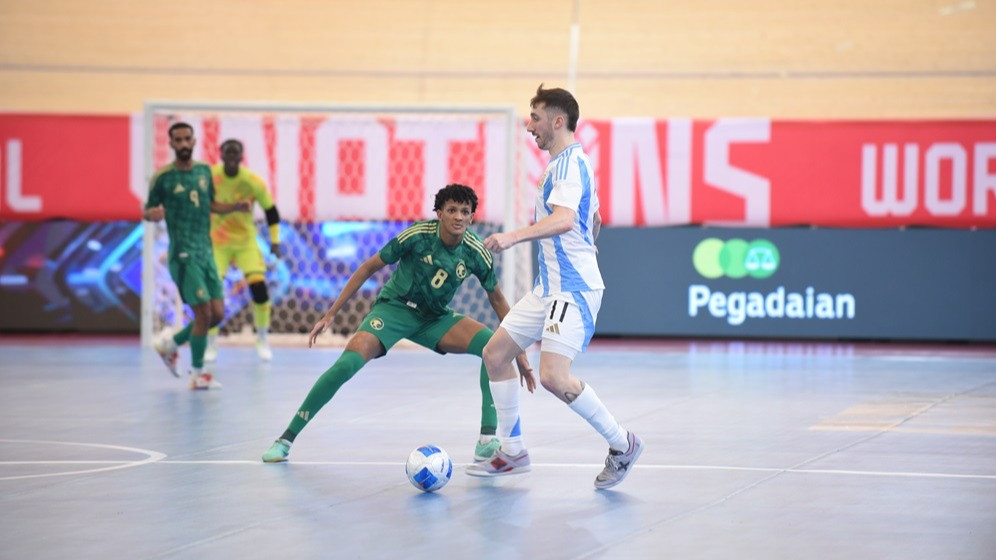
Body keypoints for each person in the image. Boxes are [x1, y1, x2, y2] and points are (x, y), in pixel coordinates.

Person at [262, 184, 534, 463]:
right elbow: (369, 266)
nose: (458, 217)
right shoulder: (417, 235)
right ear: (439, 213)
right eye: (452, 210)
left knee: (493, 347)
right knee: (346, 365)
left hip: (436, 318)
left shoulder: (476, 251)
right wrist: (331, 312)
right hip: (394, 310)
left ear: (472, 217)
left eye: (465, 212)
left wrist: (520, 352)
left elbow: (499, 301)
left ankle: (487, 439)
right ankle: (286, 439)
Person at [466, 85, 644, 489]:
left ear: (557, 121)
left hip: (573, 289)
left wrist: (512, 237)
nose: (530, 126)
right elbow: (589, 219)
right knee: (495, 354)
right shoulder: (566, 164)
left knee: (553, 377)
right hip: (548, 287)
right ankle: (512, 451)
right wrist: (586, 232)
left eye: (535, 117)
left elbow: (565, 220)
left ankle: (623, 443)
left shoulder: (567, 166)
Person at [144, 122, 250, 390]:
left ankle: (171, 343)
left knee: (216, 314)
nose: (182, 144)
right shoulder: (163, 178)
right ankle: (198, 374)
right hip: (183, 255)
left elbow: (211, 204)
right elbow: (148, 210)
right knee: (202, 313)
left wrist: (236, 205)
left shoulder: (204, 171)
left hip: (206, 252)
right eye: (177, 140)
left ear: (194, 141)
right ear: (170, 144)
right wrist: (151, 214)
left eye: (186, 139)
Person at [205, 139, 282, 363]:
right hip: (217, 242)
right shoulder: (210, 177)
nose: (231, 157)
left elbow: (271, 211)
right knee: (212, 292)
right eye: (227, 152)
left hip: (245, 241)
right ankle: (211, 344)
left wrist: (275, 242)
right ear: (221, 154)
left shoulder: (251, 182)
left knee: (258, 287)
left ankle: (262, 338)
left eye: (235, 153)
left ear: (241, 156)